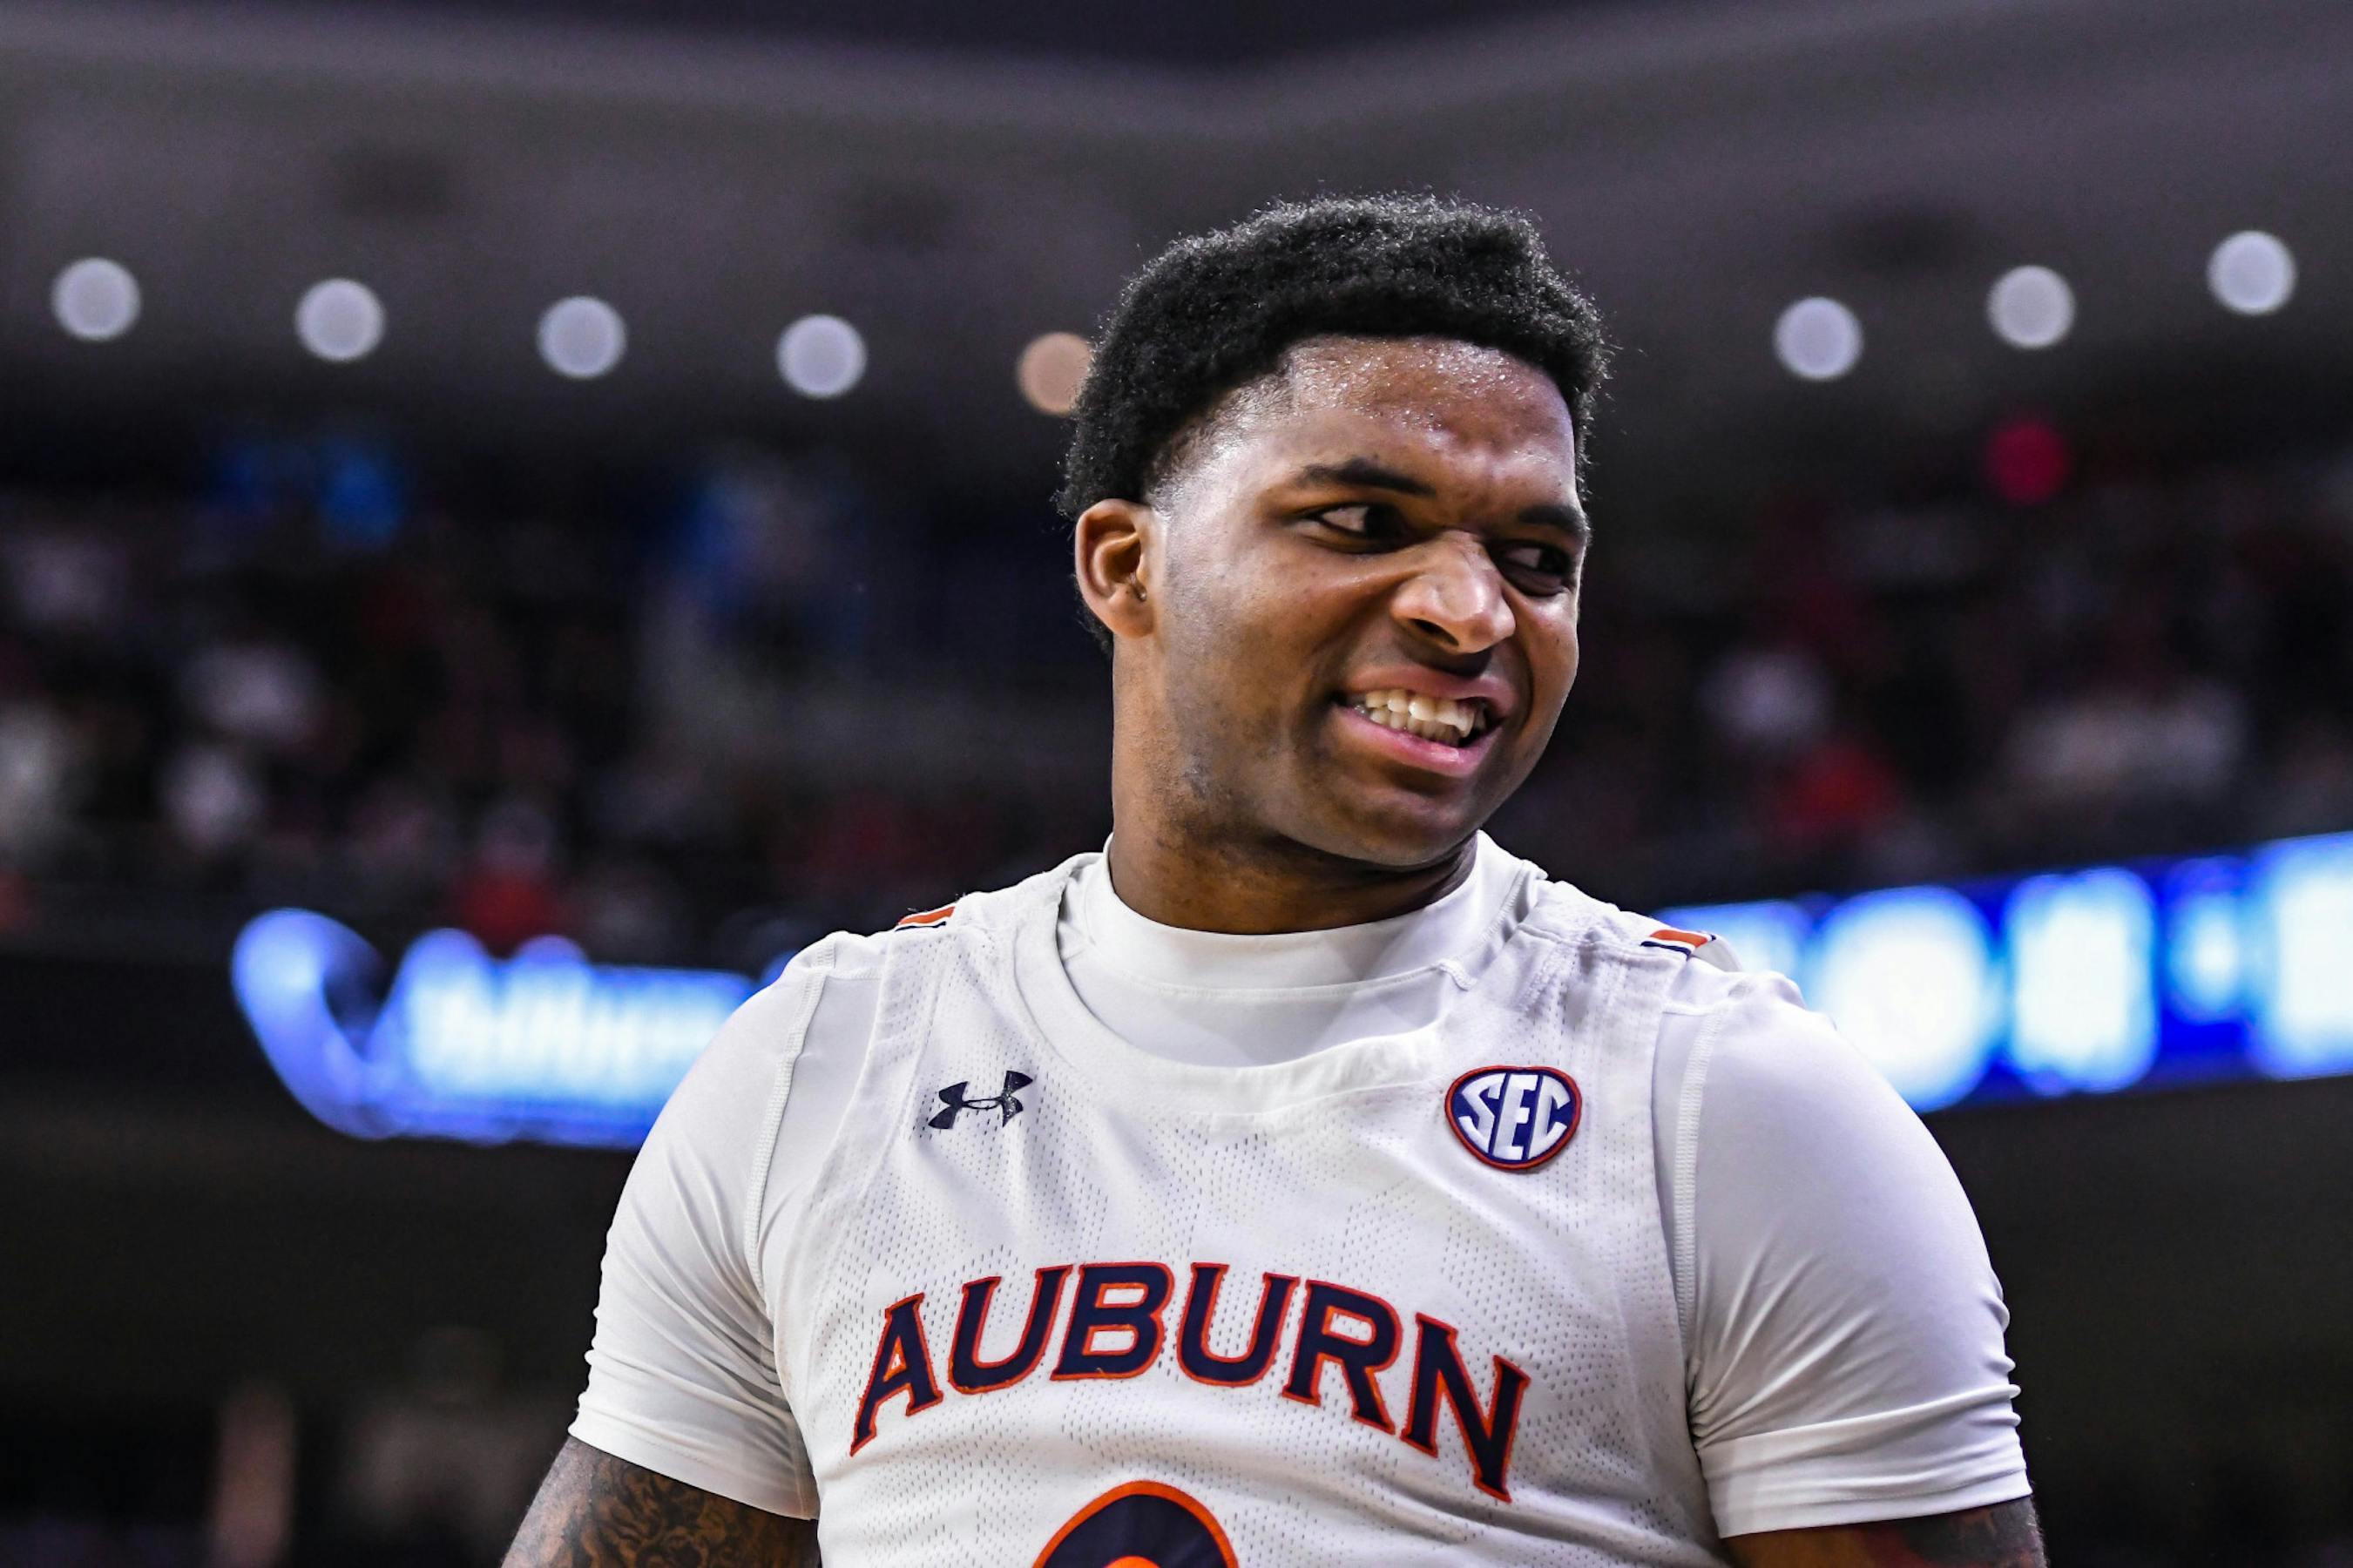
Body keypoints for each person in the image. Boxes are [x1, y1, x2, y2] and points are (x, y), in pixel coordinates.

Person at [504, 196, 2040, 1566]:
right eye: (1362, 524)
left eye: (1534, 559)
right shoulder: (819, 1067)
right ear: (1125, 566)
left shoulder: (1730, 1105)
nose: (1470, 613)